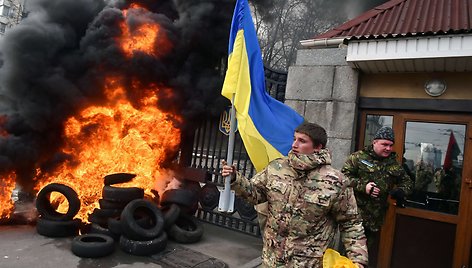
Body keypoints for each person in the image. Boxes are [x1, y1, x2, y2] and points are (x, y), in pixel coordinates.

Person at [222, 122, 368, 267]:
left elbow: (350, 223)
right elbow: (256, 194)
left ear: (318, 147)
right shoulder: (277, 168)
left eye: (302, 141)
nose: (294, 145)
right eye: (294, 139)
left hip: (308, 263)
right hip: (271, 260)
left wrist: (358, 260)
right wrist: (236, 179)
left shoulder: (336, 181)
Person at [341, 126, 413, 267]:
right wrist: (364, 186)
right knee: (349, 256)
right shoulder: (358, 158)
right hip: (355, 217)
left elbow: (408, 182)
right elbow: (343, 178)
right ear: (374, 142)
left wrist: (401, 190)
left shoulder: (393, 164)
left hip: (375, 219)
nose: (388, 148)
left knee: (363, 257)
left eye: (391, 145)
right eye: (384, 144)